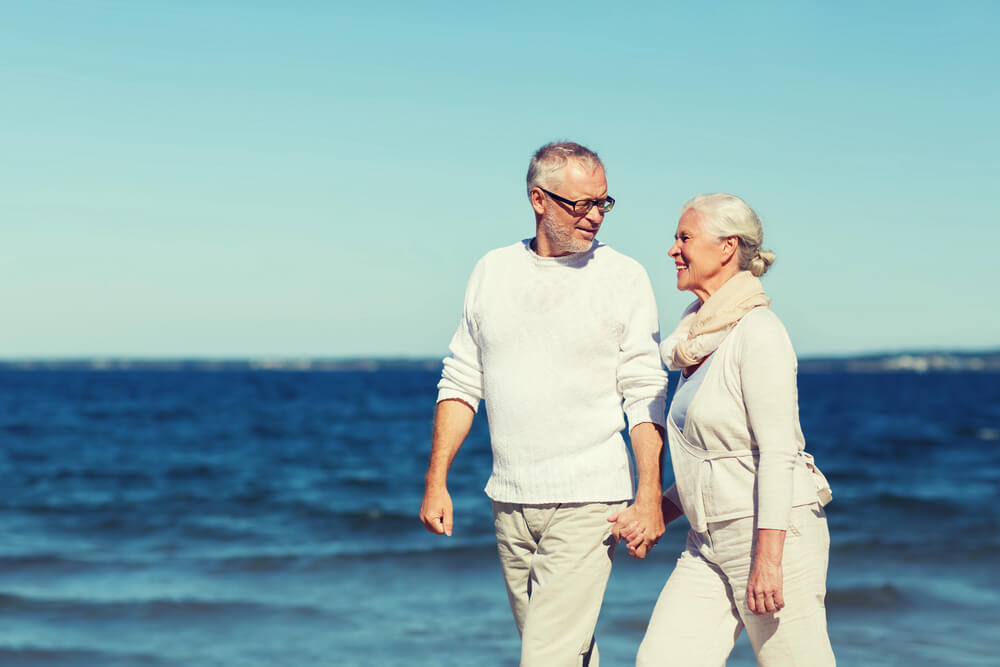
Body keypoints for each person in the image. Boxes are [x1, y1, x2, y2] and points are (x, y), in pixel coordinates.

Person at [419, 141, 669, 666]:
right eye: (581, 204)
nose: (595, 216)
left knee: (546, 657)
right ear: (539, 199)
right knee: (563, 651)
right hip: (510, 499)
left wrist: (649, 495)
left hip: (591, 499)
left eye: (603, 202)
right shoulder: (492, 271)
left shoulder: (624, 277)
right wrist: (436, 480)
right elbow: (463, 379)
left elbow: (645, 391)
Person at [620, 193, 835, 666]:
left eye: (684, 238)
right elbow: (713, 463)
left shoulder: (759, 332)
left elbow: (779, 453)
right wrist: (656, 509)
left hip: (774, 537)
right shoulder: (695, 337)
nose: (673, 250)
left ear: (726, 247)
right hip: (707, 544)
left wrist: (768, 559)